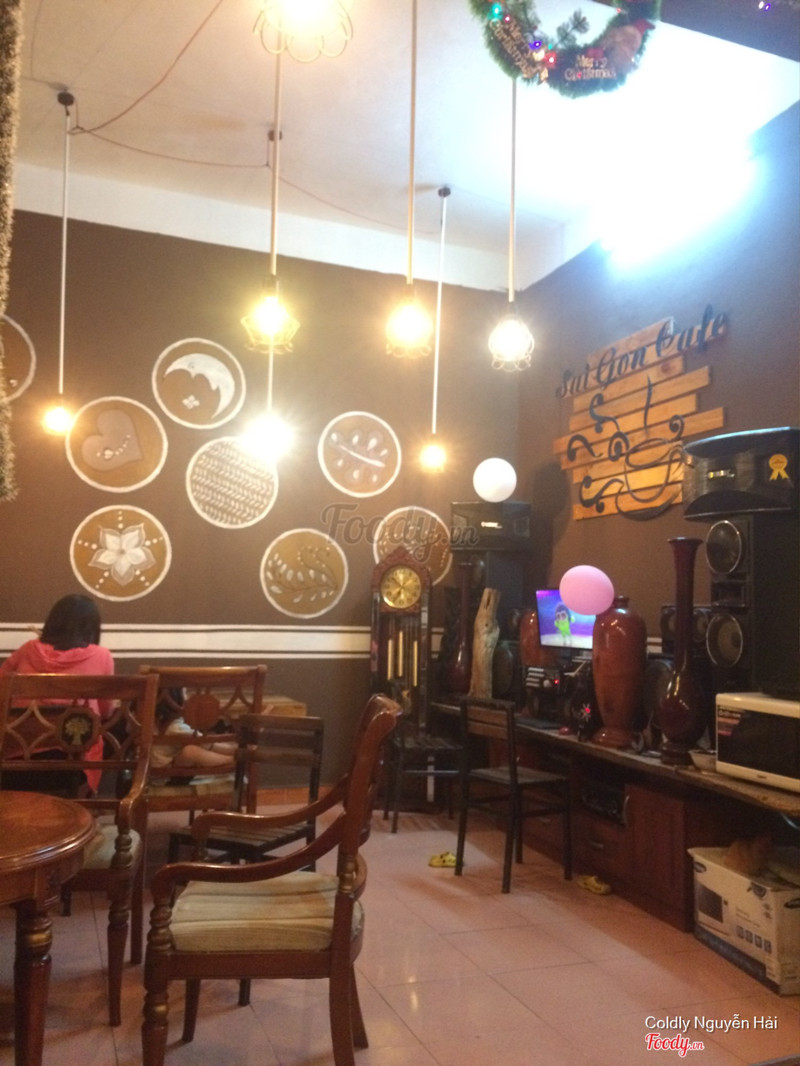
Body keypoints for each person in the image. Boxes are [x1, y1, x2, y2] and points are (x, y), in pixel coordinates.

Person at [0, 593, 114, 793]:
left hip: (20, 752)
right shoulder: (101, 656)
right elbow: (106, 713)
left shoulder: (28, 650)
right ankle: (87, 799)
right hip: (73, 758)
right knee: (103, 732)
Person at [150, 690, 236, 777]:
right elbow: (202, 741)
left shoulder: (156, 720)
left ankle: (235, 753)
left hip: (168, 760)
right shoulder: (172, 727)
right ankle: (232, 760)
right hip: (165, 769)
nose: (187, 699)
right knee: (191, 751)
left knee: (196, 745)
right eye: (184, 695)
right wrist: (230, 749)